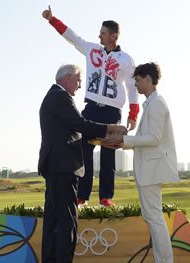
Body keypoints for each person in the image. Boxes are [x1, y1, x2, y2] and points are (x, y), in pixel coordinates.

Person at [42, 6, 140, 207]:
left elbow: (132, 88)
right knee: (84, 150)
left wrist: (133, 114)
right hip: (91, 107)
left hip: (113, 109)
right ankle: (82, 195)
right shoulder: (92, 49)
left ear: (113, 36)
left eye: (103, 33)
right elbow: (73, 37)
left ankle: (106, 197)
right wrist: (52, 20)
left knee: (108, 153)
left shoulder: (127, 60)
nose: (99, 36)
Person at [38, 64, 127, 263]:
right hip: (63, 167)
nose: (80, 85)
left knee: (53, 220)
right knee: (67, 222)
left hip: (56, 167)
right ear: (68, 78)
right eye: (78, 80)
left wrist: (97, 136)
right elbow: (81, 125)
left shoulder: (54, 97)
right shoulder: (60, 97)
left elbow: (77, 129)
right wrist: (111, 129)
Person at [103, 62, 179, 263]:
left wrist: (124, 141)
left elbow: (154, 138)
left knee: (155, 219)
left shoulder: (157, 103)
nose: (135, 85)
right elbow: (147, 138)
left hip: (151, 170)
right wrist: (122, 144)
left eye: (137, 80)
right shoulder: (152, 103)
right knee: (153, 218)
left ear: (148, 79)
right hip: (149, 169)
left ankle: (165, 261)